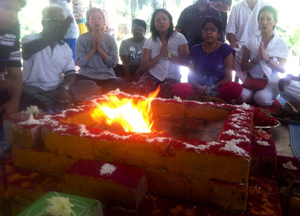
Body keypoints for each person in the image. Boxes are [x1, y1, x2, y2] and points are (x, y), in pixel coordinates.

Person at [20, 5, 97, 111]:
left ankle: (52, 101)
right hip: (33, 88)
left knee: (90, 85)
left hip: (56, 88)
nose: (59, 24)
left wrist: (64, 88)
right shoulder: (29, 39)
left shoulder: (65, 47)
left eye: (61, 22)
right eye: (54, 20)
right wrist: (57, 34)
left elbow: (71, 73)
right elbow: (28, 49)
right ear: (43, 22)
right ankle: (56, 102)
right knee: (27, 95)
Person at [172, 17, 243, 102]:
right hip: (198, 88)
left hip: (218, 89)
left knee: (236, 88)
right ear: (202, 32)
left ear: (219, 34)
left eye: (213, 29)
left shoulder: (225, 49)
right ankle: (207, 98)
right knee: (177, 88)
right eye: (205, 29)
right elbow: (190, 75)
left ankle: (206, 98)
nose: (208, 32)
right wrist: (199, 87)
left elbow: (228, 77)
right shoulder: (195, 49)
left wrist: (212, 87)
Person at [129, 9, 189, 98]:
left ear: (170, 21)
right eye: (158, 20)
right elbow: (144, 66)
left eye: (164, 19)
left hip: (172, 77)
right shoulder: (150, 41)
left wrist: (169, 56)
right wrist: (160, 55)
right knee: (140, 90)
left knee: (167, 93)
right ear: (154, 24)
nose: (161, 22)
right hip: (153, 76)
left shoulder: (179, 38)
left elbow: (186, 61)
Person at [237, 6, 289, 107]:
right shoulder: (251, 41)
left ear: (275, 22)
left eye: (268, 19)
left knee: (261, 98)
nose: (264, 22)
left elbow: (282, 69)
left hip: (270, 83)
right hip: (252, 81)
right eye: (261, 19)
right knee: (241, 96)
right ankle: (252, 98)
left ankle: (259, 99)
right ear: (258, 22)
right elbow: (243, 66)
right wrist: (256, 60)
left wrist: (266, 59)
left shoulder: (281, 43)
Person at [75, 7, 126, 94]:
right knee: (75, 85)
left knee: (121, 86)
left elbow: (113, 63)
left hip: (107, 76)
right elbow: (80, 63)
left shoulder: (110, 39)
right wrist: (93, 49)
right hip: (86, 75)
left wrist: (100, 49)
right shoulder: (82, 39)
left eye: (99, 18)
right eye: (92, 18)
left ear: (103, 21)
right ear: (88, 22)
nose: (96, 21)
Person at [226, 0, 269, 82]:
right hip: (240, 45)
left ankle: (257, 81)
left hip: (259, 44)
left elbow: (270, 29)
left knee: (264, 55)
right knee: (235, 53)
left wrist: (264, 45)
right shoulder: (236, 7)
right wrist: (233, 43)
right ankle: (247, 81)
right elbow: (230, 30)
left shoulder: (265, 5)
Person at [0, 0, 23, 119]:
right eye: (7, 8)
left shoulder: (11, 36)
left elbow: (15, 76)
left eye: (16, 11)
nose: (13, 15)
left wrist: (15, 101)